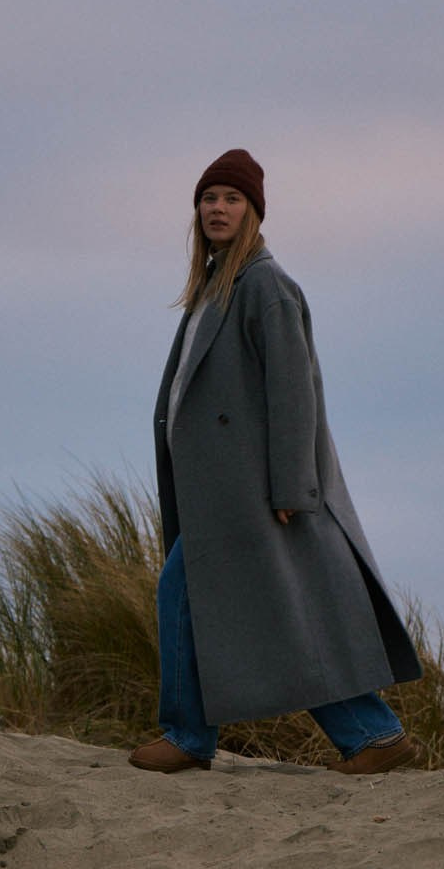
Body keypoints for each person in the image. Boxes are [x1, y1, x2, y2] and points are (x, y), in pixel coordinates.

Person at [130, 148, 424, 778]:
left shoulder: (265, 285)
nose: (218, 208)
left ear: (255, 214)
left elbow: (296, 390)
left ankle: (189, 735)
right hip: (220, 491)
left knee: (197, 597)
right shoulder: (213, 287)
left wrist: (292, 485)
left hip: (257, 493)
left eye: (232, 199)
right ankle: (373, 734)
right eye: (209, 198)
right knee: (281, 617)